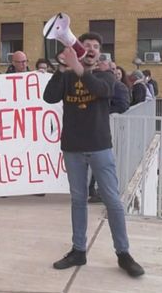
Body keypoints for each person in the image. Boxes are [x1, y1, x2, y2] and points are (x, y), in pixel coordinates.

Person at [43, 34, 144, 277]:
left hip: (99, 147)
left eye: (96, 47)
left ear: (99, 53)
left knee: (112, 200)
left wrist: (78, 69)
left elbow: (102, 90)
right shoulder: (68, 75)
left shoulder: (105, 75)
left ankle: (123, 253)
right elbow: (49, 97)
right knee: (78, 200)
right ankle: (79, 250)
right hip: (73, 148)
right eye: (86, 45)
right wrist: (62, 68)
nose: (91, 49)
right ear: (79, 49)